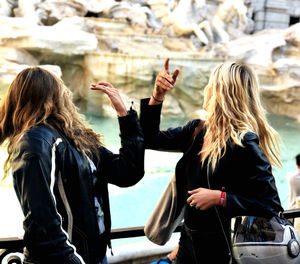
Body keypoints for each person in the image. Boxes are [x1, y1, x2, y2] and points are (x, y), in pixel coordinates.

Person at [140, 59, 284, 264]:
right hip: (188, 245)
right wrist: (157, 97)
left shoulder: (244, 142)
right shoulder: (197, 130)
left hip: (223, 251)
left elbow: (270, 206)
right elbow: (147, 139)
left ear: (221, 92)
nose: (206, 89)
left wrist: (221, 198)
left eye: (211, 84)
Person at [0, 67, 145, 264]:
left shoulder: (77, 138)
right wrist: (74, 260)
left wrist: (125, 115)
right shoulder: (35, 141)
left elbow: (128, 173)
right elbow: (42, 220)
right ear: (54, 95)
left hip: (92, 255)